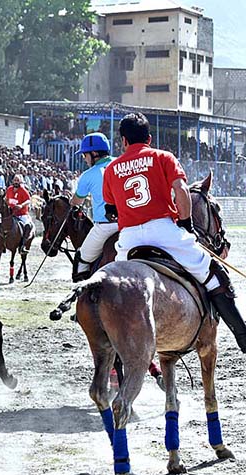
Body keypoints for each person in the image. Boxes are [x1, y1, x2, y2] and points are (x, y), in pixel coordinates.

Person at [102, 112, 246, 352]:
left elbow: (110, 209)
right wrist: (186, 223)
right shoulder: (163, 157)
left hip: (128, 240)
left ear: (123, 141)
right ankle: (242, 335)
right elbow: (180, 189)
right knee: (212, 273)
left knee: (111, 286)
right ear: (148, 138)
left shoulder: (111, 169)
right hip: (164, 232)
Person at [69, 133, 119, 282]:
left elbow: (77, 201)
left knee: (81, 259)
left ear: (94, 153)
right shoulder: (122, 164)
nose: (84, 159)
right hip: (132, 224)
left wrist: (72, 201)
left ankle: (81, 295)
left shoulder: (88, 175)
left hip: (106, 227)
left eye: (85, 155)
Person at [5, 174, 33, 252]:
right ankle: (2, 242)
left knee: (28, 226)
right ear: (12, 181)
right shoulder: (9, 189)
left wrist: (21, 205)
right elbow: (6, 199)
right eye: (15, 180)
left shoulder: (23, 190)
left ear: (20, 181)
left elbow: (28, 200)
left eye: (18, 180)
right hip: (11, 213)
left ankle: (23, 245)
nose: (16, 182)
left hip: (22, 214)